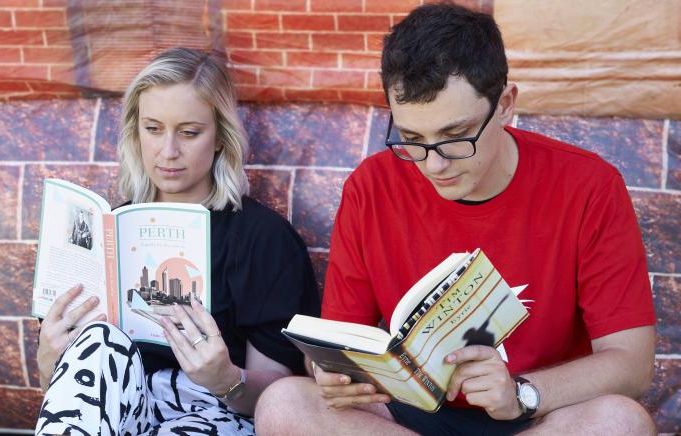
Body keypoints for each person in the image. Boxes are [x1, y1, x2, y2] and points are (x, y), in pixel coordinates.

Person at [254, 3, 656, 435]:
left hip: (537, 411)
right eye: (412, 139)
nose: (434, 165)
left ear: (504, 105)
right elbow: (339, 340)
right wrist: (332, 375)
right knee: (283, 404)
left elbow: (631, 364)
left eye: (454, 137)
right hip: (405, 415)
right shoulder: (370, 187)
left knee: (621, 421)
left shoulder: (589, 186)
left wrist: (521, 393)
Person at [35, 47, 320, 435]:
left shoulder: (262, 238)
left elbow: (278, 397)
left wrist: (225, 378)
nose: (168, 151)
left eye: (189, 132)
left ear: (220, 136)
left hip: (216, 412)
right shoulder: (113, 227)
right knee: (99, 340)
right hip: (123, 406)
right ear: (136, 131)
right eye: (153, 129)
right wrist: (50, 359)